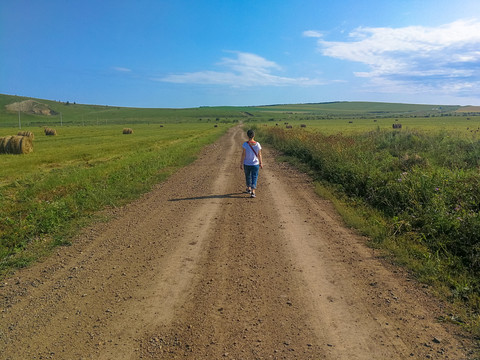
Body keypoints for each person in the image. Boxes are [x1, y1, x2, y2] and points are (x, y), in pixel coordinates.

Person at [240, 129, 263, 198]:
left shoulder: (245, 144)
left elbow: (243, 154)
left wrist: (241, 163)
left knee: (248, 176)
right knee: (254, 177)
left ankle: (249, 188)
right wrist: (261, 163)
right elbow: (259, 155)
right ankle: (253, 191)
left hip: (247, 164)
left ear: (247, 136)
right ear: (254, 136)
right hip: (255, 164)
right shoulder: (258, 144)